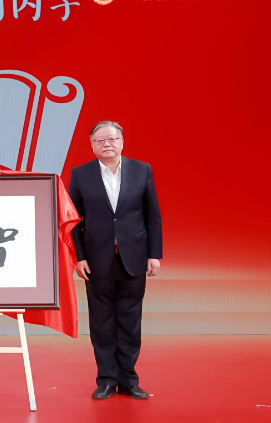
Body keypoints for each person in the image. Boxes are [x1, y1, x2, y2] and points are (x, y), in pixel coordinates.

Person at [68, 120, 162, 400]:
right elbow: (73, 221)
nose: (106, 144)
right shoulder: (80, 174)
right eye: (100, 140)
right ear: (92, 146)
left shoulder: (142, 170)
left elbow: (152, 215)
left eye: (112, 139)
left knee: (130, 321)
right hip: (97, 260)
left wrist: (154, 254)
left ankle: (129, 380)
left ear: (122, 142)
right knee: (102, 322)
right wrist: (79, 257)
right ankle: (107, 380)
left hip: (134, 257)